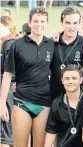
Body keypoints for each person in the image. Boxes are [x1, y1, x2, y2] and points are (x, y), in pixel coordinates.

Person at [0, 7, 54, 147]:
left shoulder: (51, 44)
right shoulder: (17, 44)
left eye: (42, 21)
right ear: (29, 23)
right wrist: (1, 104)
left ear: (46, 23)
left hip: (44, 103)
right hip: (21, 101)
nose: (39, 24)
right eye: (35, 21)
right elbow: (7, 75)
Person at [45, 64, 83, 147]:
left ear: (81, 80)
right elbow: (51, 132)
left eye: (74, 78)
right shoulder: (56, 103)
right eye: (67, 78)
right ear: (62, 80)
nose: (70, 81)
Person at [50, 6, 83, 99]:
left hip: (80, 98)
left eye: (75, 23)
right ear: (61, 23)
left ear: (79, 23)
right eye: (68, 23)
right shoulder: (52, 42)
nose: (71, 27)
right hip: (56, 97)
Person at [0, 15, 19, 147]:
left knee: (6, 134)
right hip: (9, 92)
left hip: (8, 92)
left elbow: (10, 72)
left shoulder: (10, 43)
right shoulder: (8, 43)